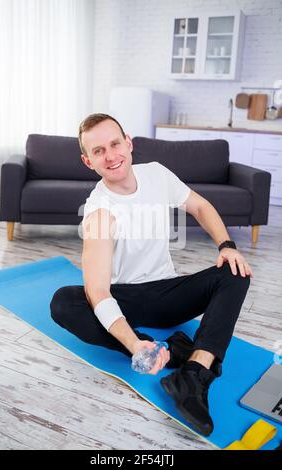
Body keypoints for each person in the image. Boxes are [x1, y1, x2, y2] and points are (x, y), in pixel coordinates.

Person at [50, 113, 252, 437]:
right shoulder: (99, 212)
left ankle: (195, 373)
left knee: (234, 270)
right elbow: (99, 292)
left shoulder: (156, 174)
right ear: (88, 162)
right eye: (99, 151)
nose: (111, 155)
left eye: (115, 144)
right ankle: (170, 351)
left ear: (128, 143)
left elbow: (200, 206)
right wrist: (135, 346)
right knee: (63, 302)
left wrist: (226, 245)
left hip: (167, 292)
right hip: (123, 299)